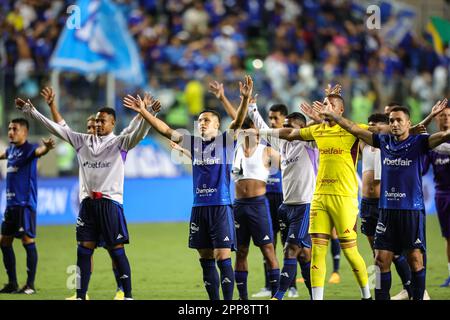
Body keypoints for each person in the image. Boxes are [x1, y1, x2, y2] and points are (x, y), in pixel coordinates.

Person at [123, 75, 254, 300]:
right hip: (199, 208)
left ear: (216, 124)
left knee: (223, 257)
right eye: (200, 120)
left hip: (221, 206)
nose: (201, 123)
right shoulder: (192, 143)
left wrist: (243, 100)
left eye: (206, 120)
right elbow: (165, 129)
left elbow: (238, 121)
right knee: (205, 259)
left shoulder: (226, 141)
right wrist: (143, 112)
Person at [15, 93, 154, 300]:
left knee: (116, 251)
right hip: (88, 205)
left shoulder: (121, 142)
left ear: (112, 123)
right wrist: (31, 111)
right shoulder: (82, 140)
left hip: (110, 204)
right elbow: (58, 128)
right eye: (96, 120)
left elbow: (140, 133)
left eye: (102, 121)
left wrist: (147, 113)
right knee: (83, 251)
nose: (98, 124)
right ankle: (80, 295)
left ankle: (127, 295)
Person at [312, 97, 450, 300]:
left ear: (408, 123)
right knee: (379, 260)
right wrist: (333, 115)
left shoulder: (419, 142)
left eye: (398, 120)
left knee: (414, 259)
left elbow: (445, 135)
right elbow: (355, 129)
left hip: (411, 211)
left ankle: (418, 296)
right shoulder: (382, 142)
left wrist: (433, 118)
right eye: (391, 120)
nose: (394, 124)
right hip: (386, 212)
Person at [258, 84, 371, 300]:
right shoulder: (317, 131)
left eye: (330, 104)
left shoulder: (353, 129)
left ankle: (366, 295)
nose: (325, 106)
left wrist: (411, 130)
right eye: (324, 103)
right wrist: (259, 130)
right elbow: (290, 133)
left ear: (340, 110)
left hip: (345, 198)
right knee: (317, 251)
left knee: (350, 251)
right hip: (318, 197)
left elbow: (376, 131)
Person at [248, 103, 318, 300]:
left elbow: (322, 128)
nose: (284, 129)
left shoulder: (310, 144)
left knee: (290, 250)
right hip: (286, 207)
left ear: (302, 129)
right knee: (304, 255)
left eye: (289, 126)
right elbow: (264, 129)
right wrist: (252, 107)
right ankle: (316, 295)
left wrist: (325, 109)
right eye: (284, 125)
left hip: (305, 206)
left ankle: (277, 296)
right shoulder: (283, 144)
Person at [0, 118, 55, 294]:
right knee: (4, 242)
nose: (10, 132)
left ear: (24, 132)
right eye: (9, 129)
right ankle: (12, 283)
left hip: (24, 205)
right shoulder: (11, 150)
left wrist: (46, 148)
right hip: (10, 205)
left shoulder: (30, 149)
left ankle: (30, 285)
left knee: (27, 241)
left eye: (14, 129)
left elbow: (40, 152)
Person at [422, 105, 450, 288]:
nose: (446, 118)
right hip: (442, 195)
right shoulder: (433, 143)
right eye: (443, 116)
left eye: (449, 115)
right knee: (448, 237)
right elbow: (423, 169)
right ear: (437, 119)